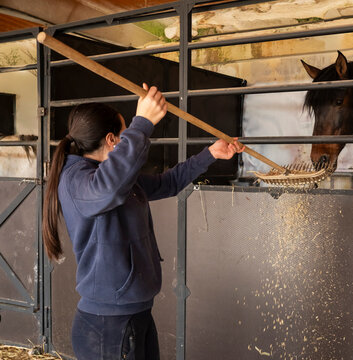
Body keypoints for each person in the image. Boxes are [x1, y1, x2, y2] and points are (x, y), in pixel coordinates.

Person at [42, 84, 244, 360]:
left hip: (136, 313)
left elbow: (167, 183)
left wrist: (210, 155)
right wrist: (143, 123)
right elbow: (106, 190)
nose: (129, 140)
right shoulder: (76, 180)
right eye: (125, 134)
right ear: (112, 140)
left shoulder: (111, 175)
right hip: (107, 326)